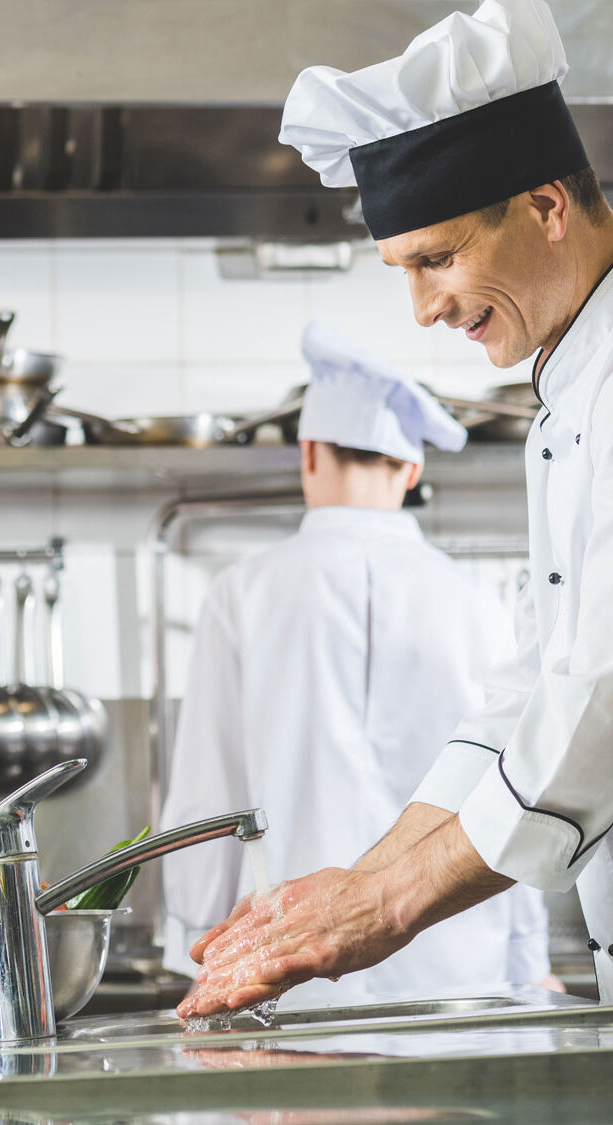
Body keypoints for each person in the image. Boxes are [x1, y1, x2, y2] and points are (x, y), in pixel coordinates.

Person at [180, 0, 613, 1020]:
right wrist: (349, 884)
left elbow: (603, 695)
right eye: (401, 272)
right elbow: (526, 690)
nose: (421, 309)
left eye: (435, 258)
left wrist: (384, 907)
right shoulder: (569, 381)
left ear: (544, 205)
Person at [161, 321, 553, 1006]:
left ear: (308, 452)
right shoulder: (479, 603)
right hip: (462, 976)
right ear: (411, 469)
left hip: (288, 972)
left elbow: (205, 802)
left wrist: (205, 945)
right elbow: (510, 786)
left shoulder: (241, 595)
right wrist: (527, 957)